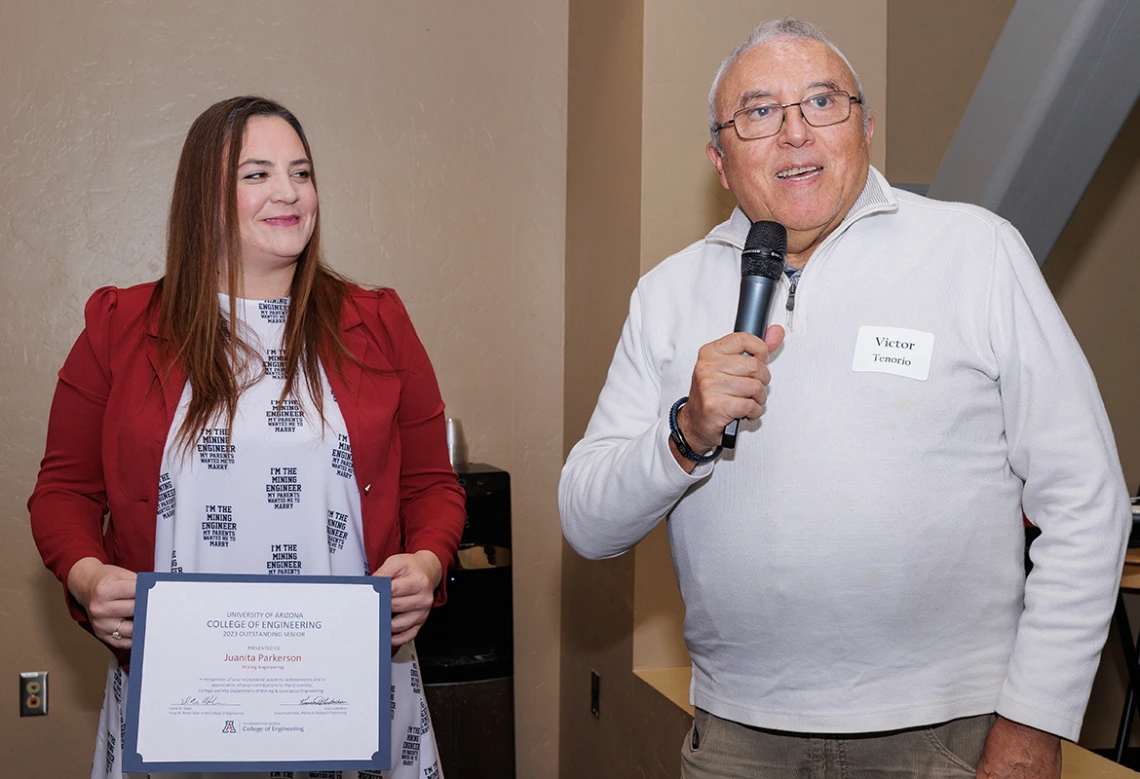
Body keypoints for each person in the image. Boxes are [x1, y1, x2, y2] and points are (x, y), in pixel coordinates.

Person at [559, 18, 1130, 779]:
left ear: (865, 127)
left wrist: (1034, 720)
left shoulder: (976, 253)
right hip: (738, 740)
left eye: (822, 102)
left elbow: (1087, 498)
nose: (795, 133)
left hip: (947, 736)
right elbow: (587, 522)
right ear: (719, 160)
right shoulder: (666, 294)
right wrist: (684, 434)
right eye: (759, 112)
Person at [28, 96, 466, 779]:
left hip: (348, 697)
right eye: (257, 174)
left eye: (301, 171)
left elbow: (431, 486)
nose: (288, 192)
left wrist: (429, 563)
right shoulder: (118, 326)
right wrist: (89, 577)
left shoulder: (378, 323)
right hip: (180, 703)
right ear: (206, 197)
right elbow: (62, 491)